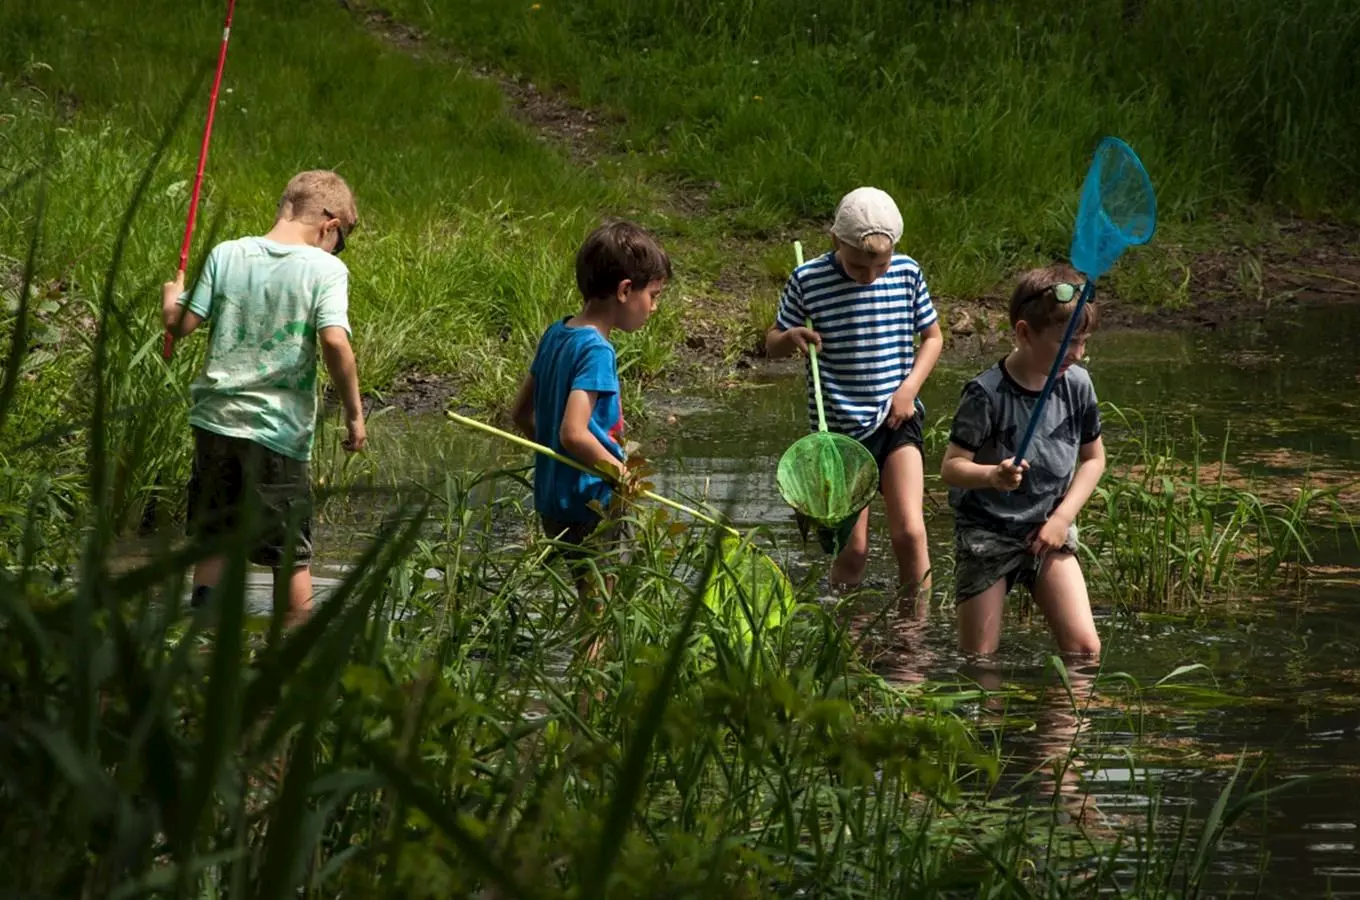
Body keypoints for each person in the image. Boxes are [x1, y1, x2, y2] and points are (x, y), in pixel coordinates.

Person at [161, 169, 366, 626]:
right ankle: (288, 656)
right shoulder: (326, 268)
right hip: (277, 434)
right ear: (329, 225)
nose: (339, 248)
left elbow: (180, 326)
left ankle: (203, 638)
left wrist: (170, 300)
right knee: (290, 554)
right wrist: (354, 414)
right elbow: (335, 342)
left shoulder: (227, 254)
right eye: (343, 238)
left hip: (214, 425)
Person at [766, 186, 944, 600]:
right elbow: (772, 343)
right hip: (841, 434)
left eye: (879, 265)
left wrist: (909, 389)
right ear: (835, 242)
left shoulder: (906, 272)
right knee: (854, 549)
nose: (870, 276)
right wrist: (791, 335)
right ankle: (845, 630)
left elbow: (933, 338)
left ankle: (914, 632)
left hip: (897, 417)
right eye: (859, 266)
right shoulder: (808, 279)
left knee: (911, 532)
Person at [940, 263, 1106, 658]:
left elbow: (1094, 459)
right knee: (980, 662)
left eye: (1083, 342)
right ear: (1024, 333)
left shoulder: (1077, 385)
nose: (1077, 354)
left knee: (1084, 651)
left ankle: (1060, 720)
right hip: (988, 537)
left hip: (1047, 528)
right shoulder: (985, 394)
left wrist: (1061, 520)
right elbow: (951, 467)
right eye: (1066, 343)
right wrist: (992, 475)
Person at [508, 219, 670, 610]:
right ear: (625, 290)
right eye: (654, 295)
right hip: (591, 506)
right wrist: (623, 475)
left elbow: (520, 414)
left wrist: (555, 463)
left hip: (551, 503)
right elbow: (574, 434)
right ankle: (590, 668)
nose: (654, 307)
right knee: (602, 612)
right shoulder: (597, 351)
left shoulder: (556, 333)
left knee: (590, 601)